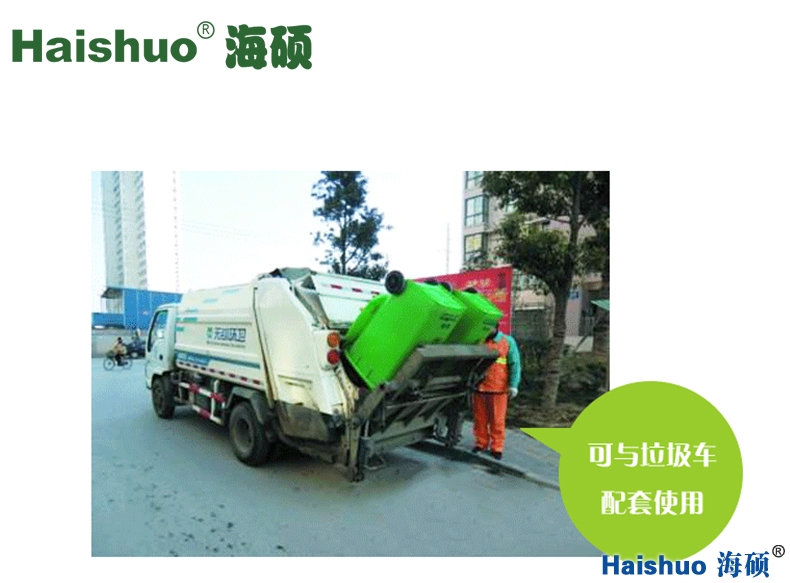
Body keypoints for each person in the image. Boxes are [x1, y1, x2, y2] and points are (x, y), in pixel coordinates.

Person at [472, 324, 522, 460]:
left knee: (497, 420)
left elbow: (515, 364)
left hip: (498, 389)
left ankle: (497, 447)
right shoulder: (480, 340)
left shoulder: (507, 342)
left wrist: (514, 385)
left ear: (495, 328)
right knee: (480, 419)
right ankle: (481, 443)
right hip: (480, 387)